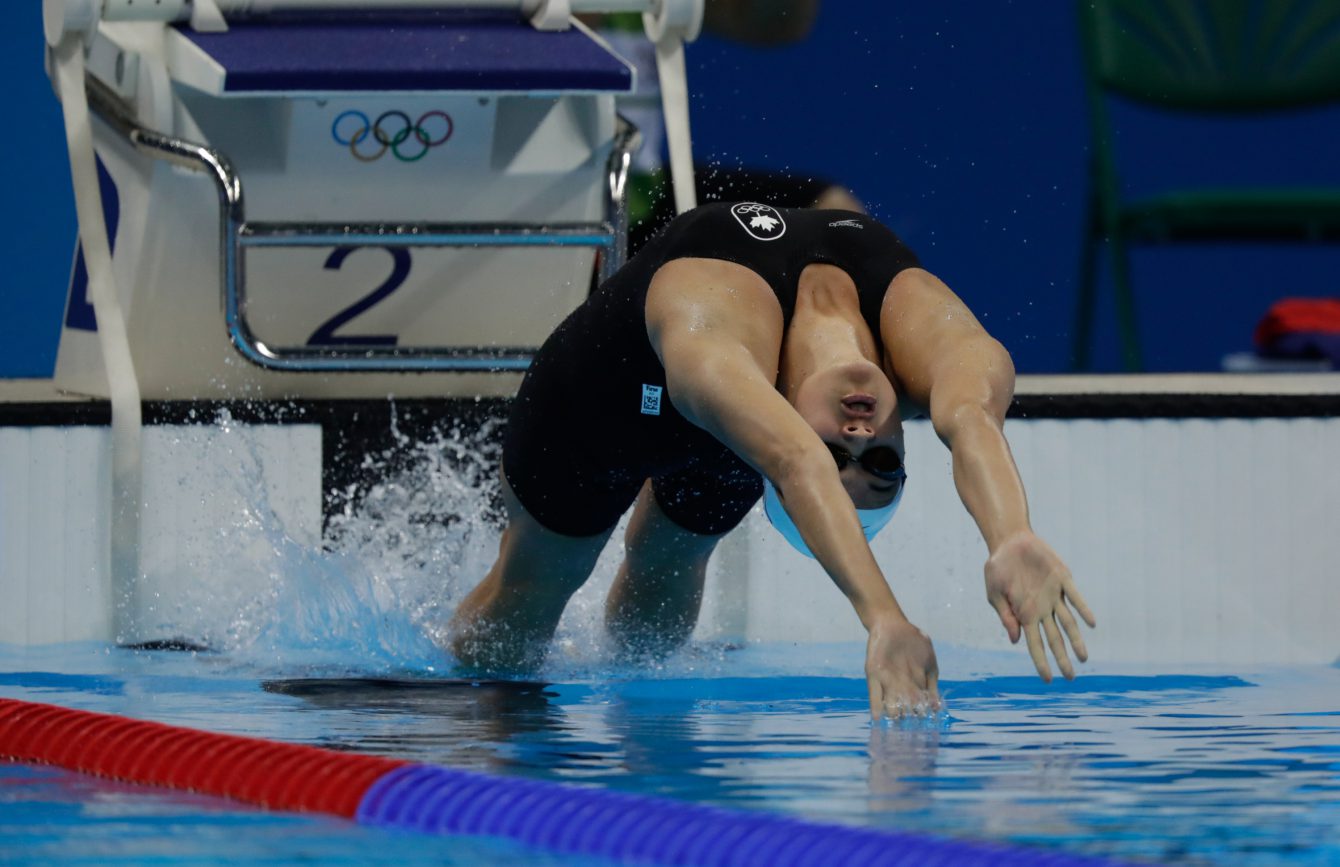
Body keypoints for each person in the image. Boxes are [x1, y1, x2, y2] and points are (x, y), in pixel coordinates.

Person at [449, 201, 1096, 719]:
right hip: (600, 405)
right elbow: (972, 417)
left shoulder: (755, 405)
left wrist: (882, 619)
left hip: (649, 422)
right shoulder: (908, 338)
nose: (856, 431)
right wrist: (1009, 534)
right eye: (879, 457)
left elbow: (794, 458)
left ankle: (626, 707)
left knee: (662, 564)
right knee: (538, 587)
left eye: (837, 452)